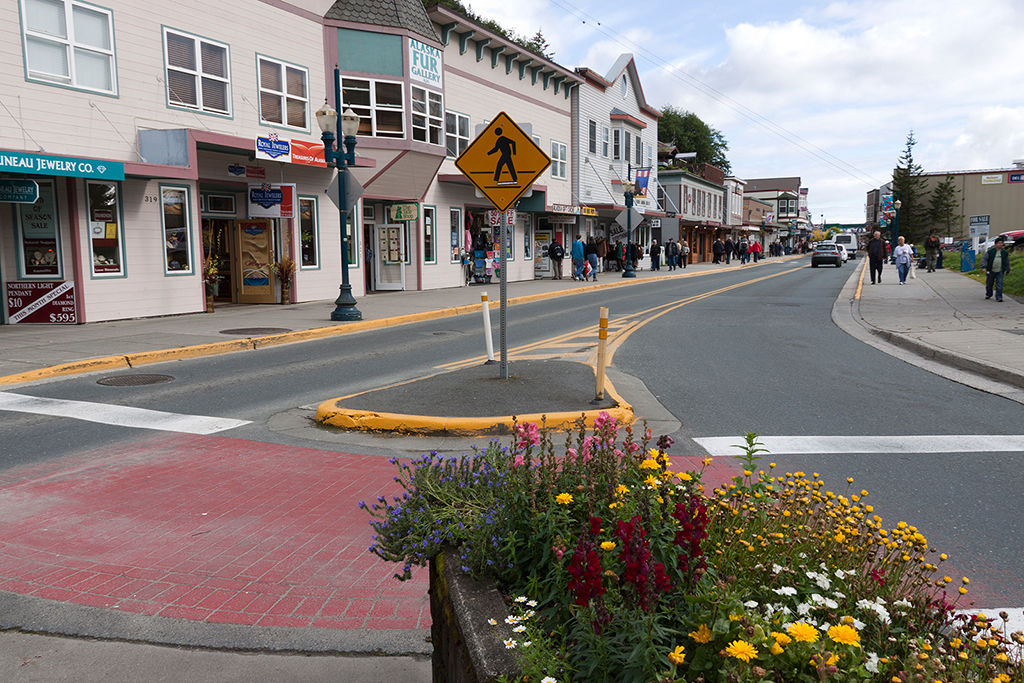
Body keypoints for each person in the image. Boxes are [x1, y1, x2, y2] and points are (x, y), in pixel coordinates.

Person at [983, 235, 1011, 302]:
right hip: (991, 270)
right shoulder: (990, 252)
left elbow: (1007, 262)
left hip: (1000, 271)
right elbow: (984, 259)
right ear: (995, 244)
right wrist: (984, 267)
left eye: (1001, 243)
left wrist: (1008, 270)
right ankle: (988, 294)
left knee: (999, 284)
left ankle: (999, 297)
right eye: (999, 243)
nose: (1000, 245)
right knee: (989, 284)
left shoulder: (1004, 253)